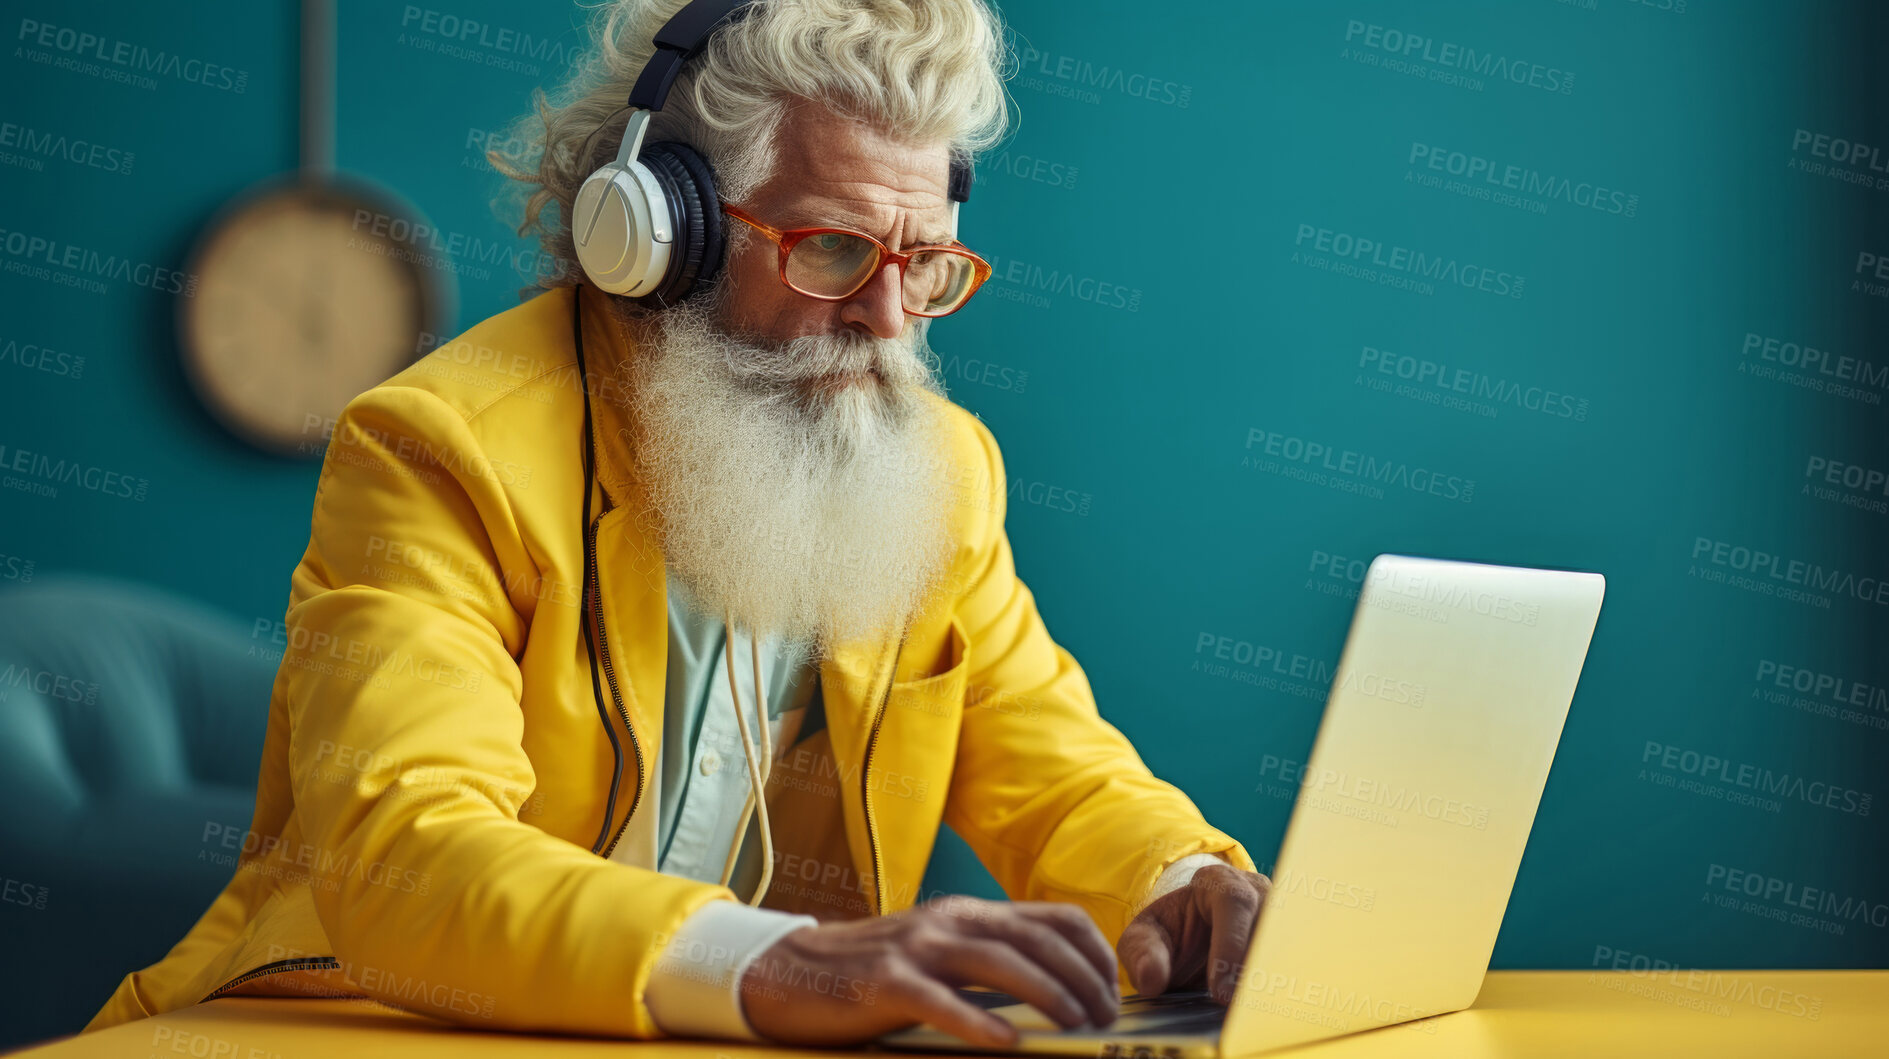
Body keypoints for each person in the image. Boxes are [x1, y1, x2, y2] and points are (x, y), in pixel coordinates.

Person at [84, 0, 1266, 1047]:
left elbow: (1051, 770)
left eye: (924, 262)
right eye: (836, 249)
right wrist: (770, 960)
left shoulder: (941, 471)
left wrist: (1178, 879)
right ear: (662, 233)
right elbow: (402, 852)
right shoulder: (442, 447)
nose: (888, 317)